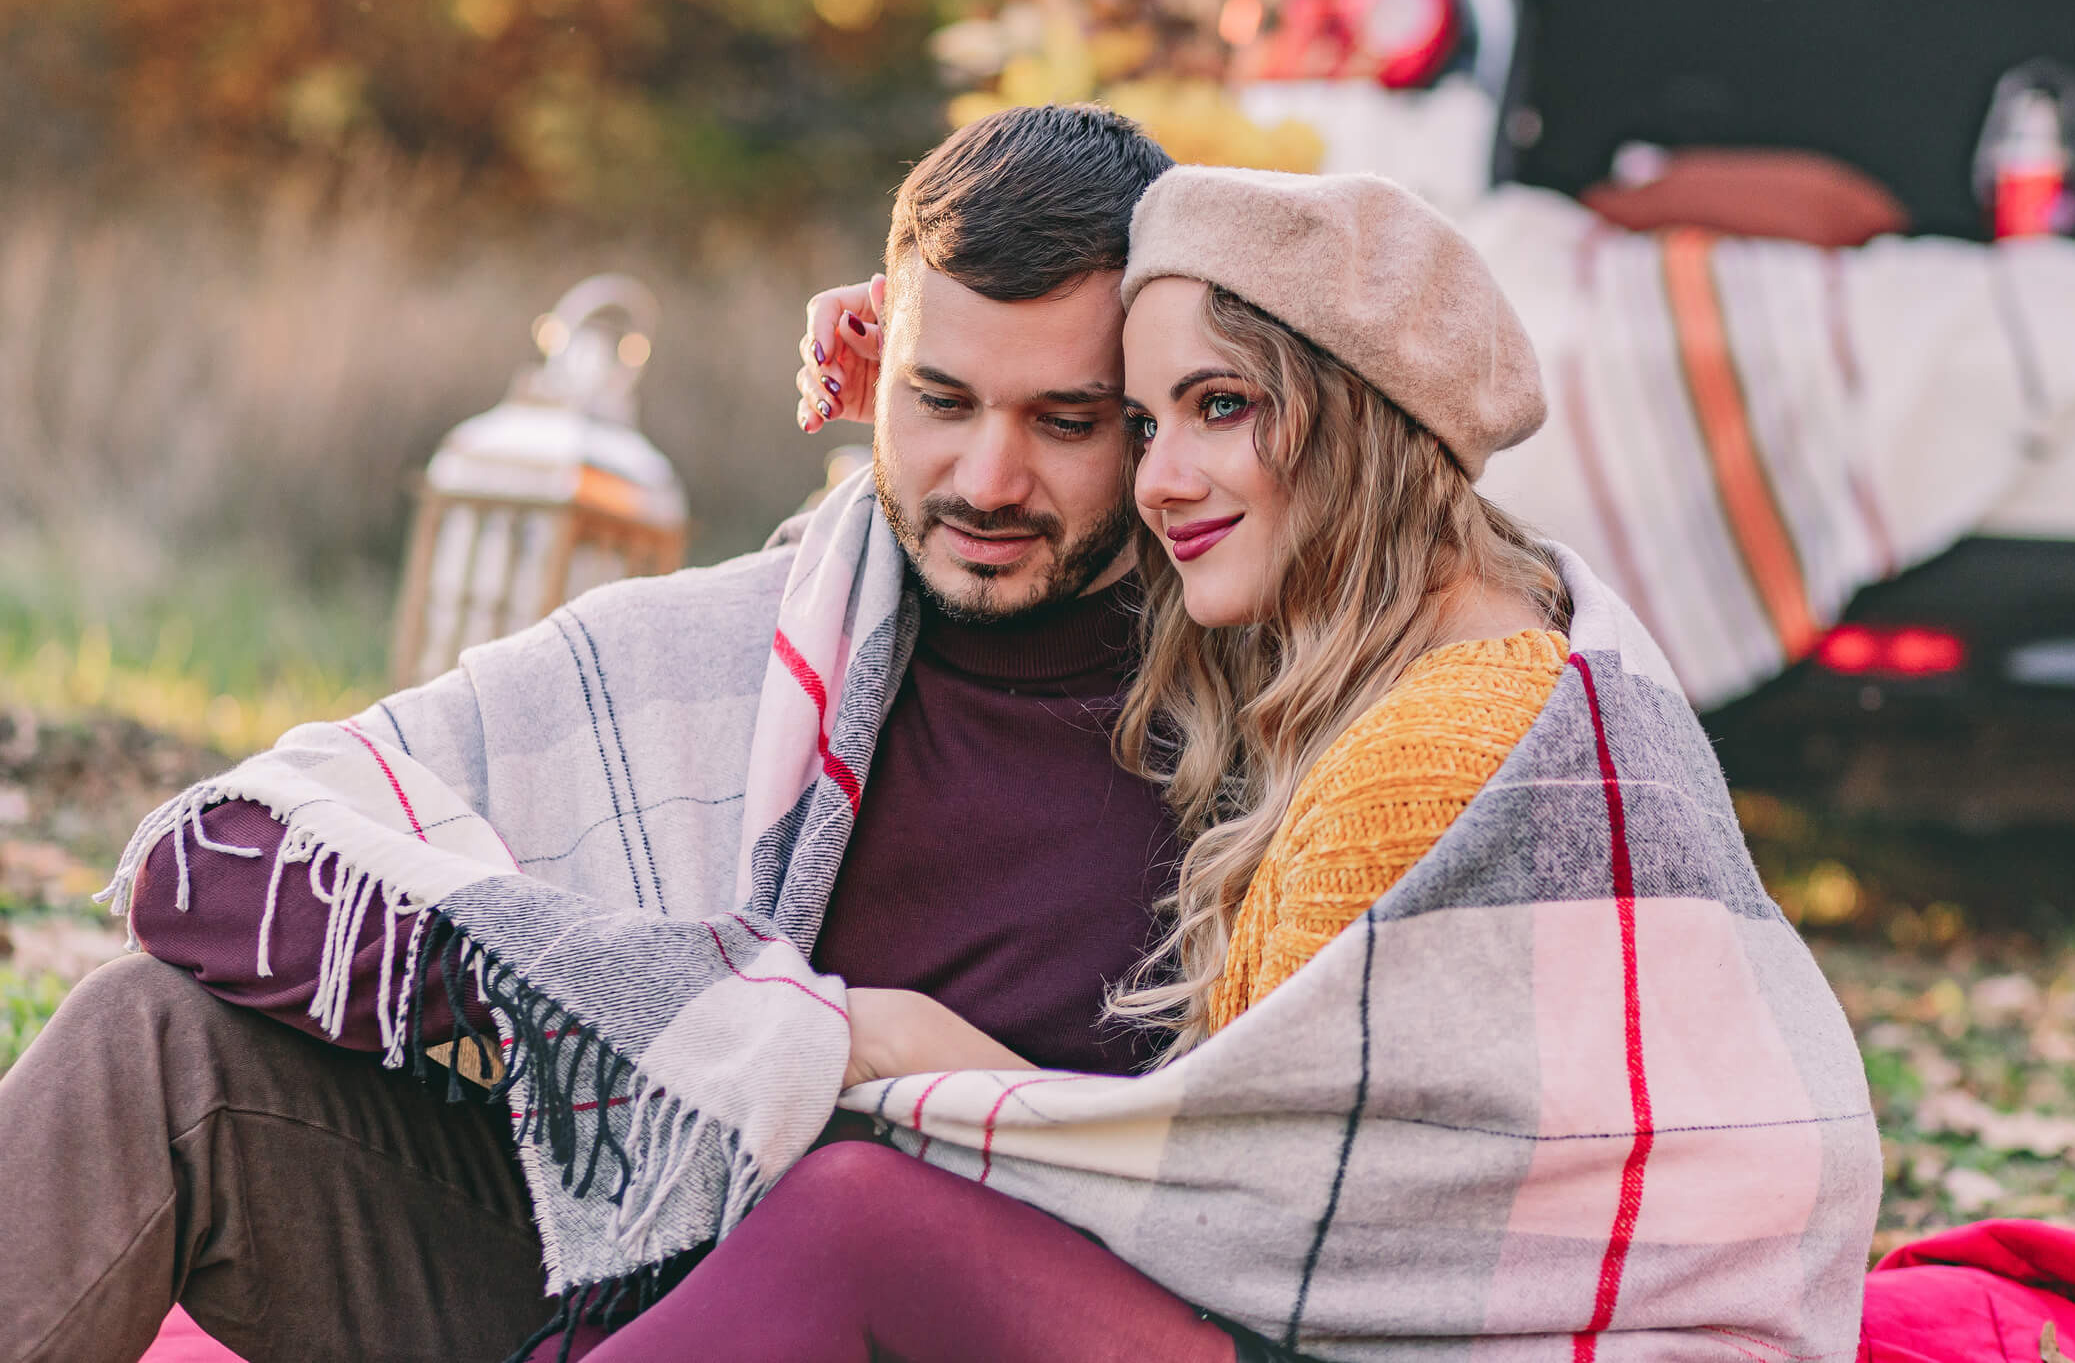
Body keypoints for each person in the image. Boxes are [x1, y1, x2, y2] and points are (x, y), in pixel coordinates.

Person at [575, 165, 1878, 1361]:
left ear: (1361, 407)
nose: (1160, 479)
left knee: (856, 1217)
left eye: (1221, 406)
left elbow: (1271, 1232)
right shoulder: (1491, 627)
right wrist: (927, 347)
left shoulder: (1431, 756)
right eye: (1137, 421)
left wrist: (927, 1049)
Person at [0, 104, 1189, 1363]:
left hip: (961, 1322)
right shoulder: (737, 654)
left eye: (1066, 420)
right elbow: (221, 873)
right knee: (157, 1042)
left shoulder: (1267, 707)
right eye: (940, 397)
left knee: (848, 1217)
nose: (989, 478)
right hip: (634, 1275)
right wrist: (790, 1029)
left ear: (1160, 411)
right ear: (871, 367)